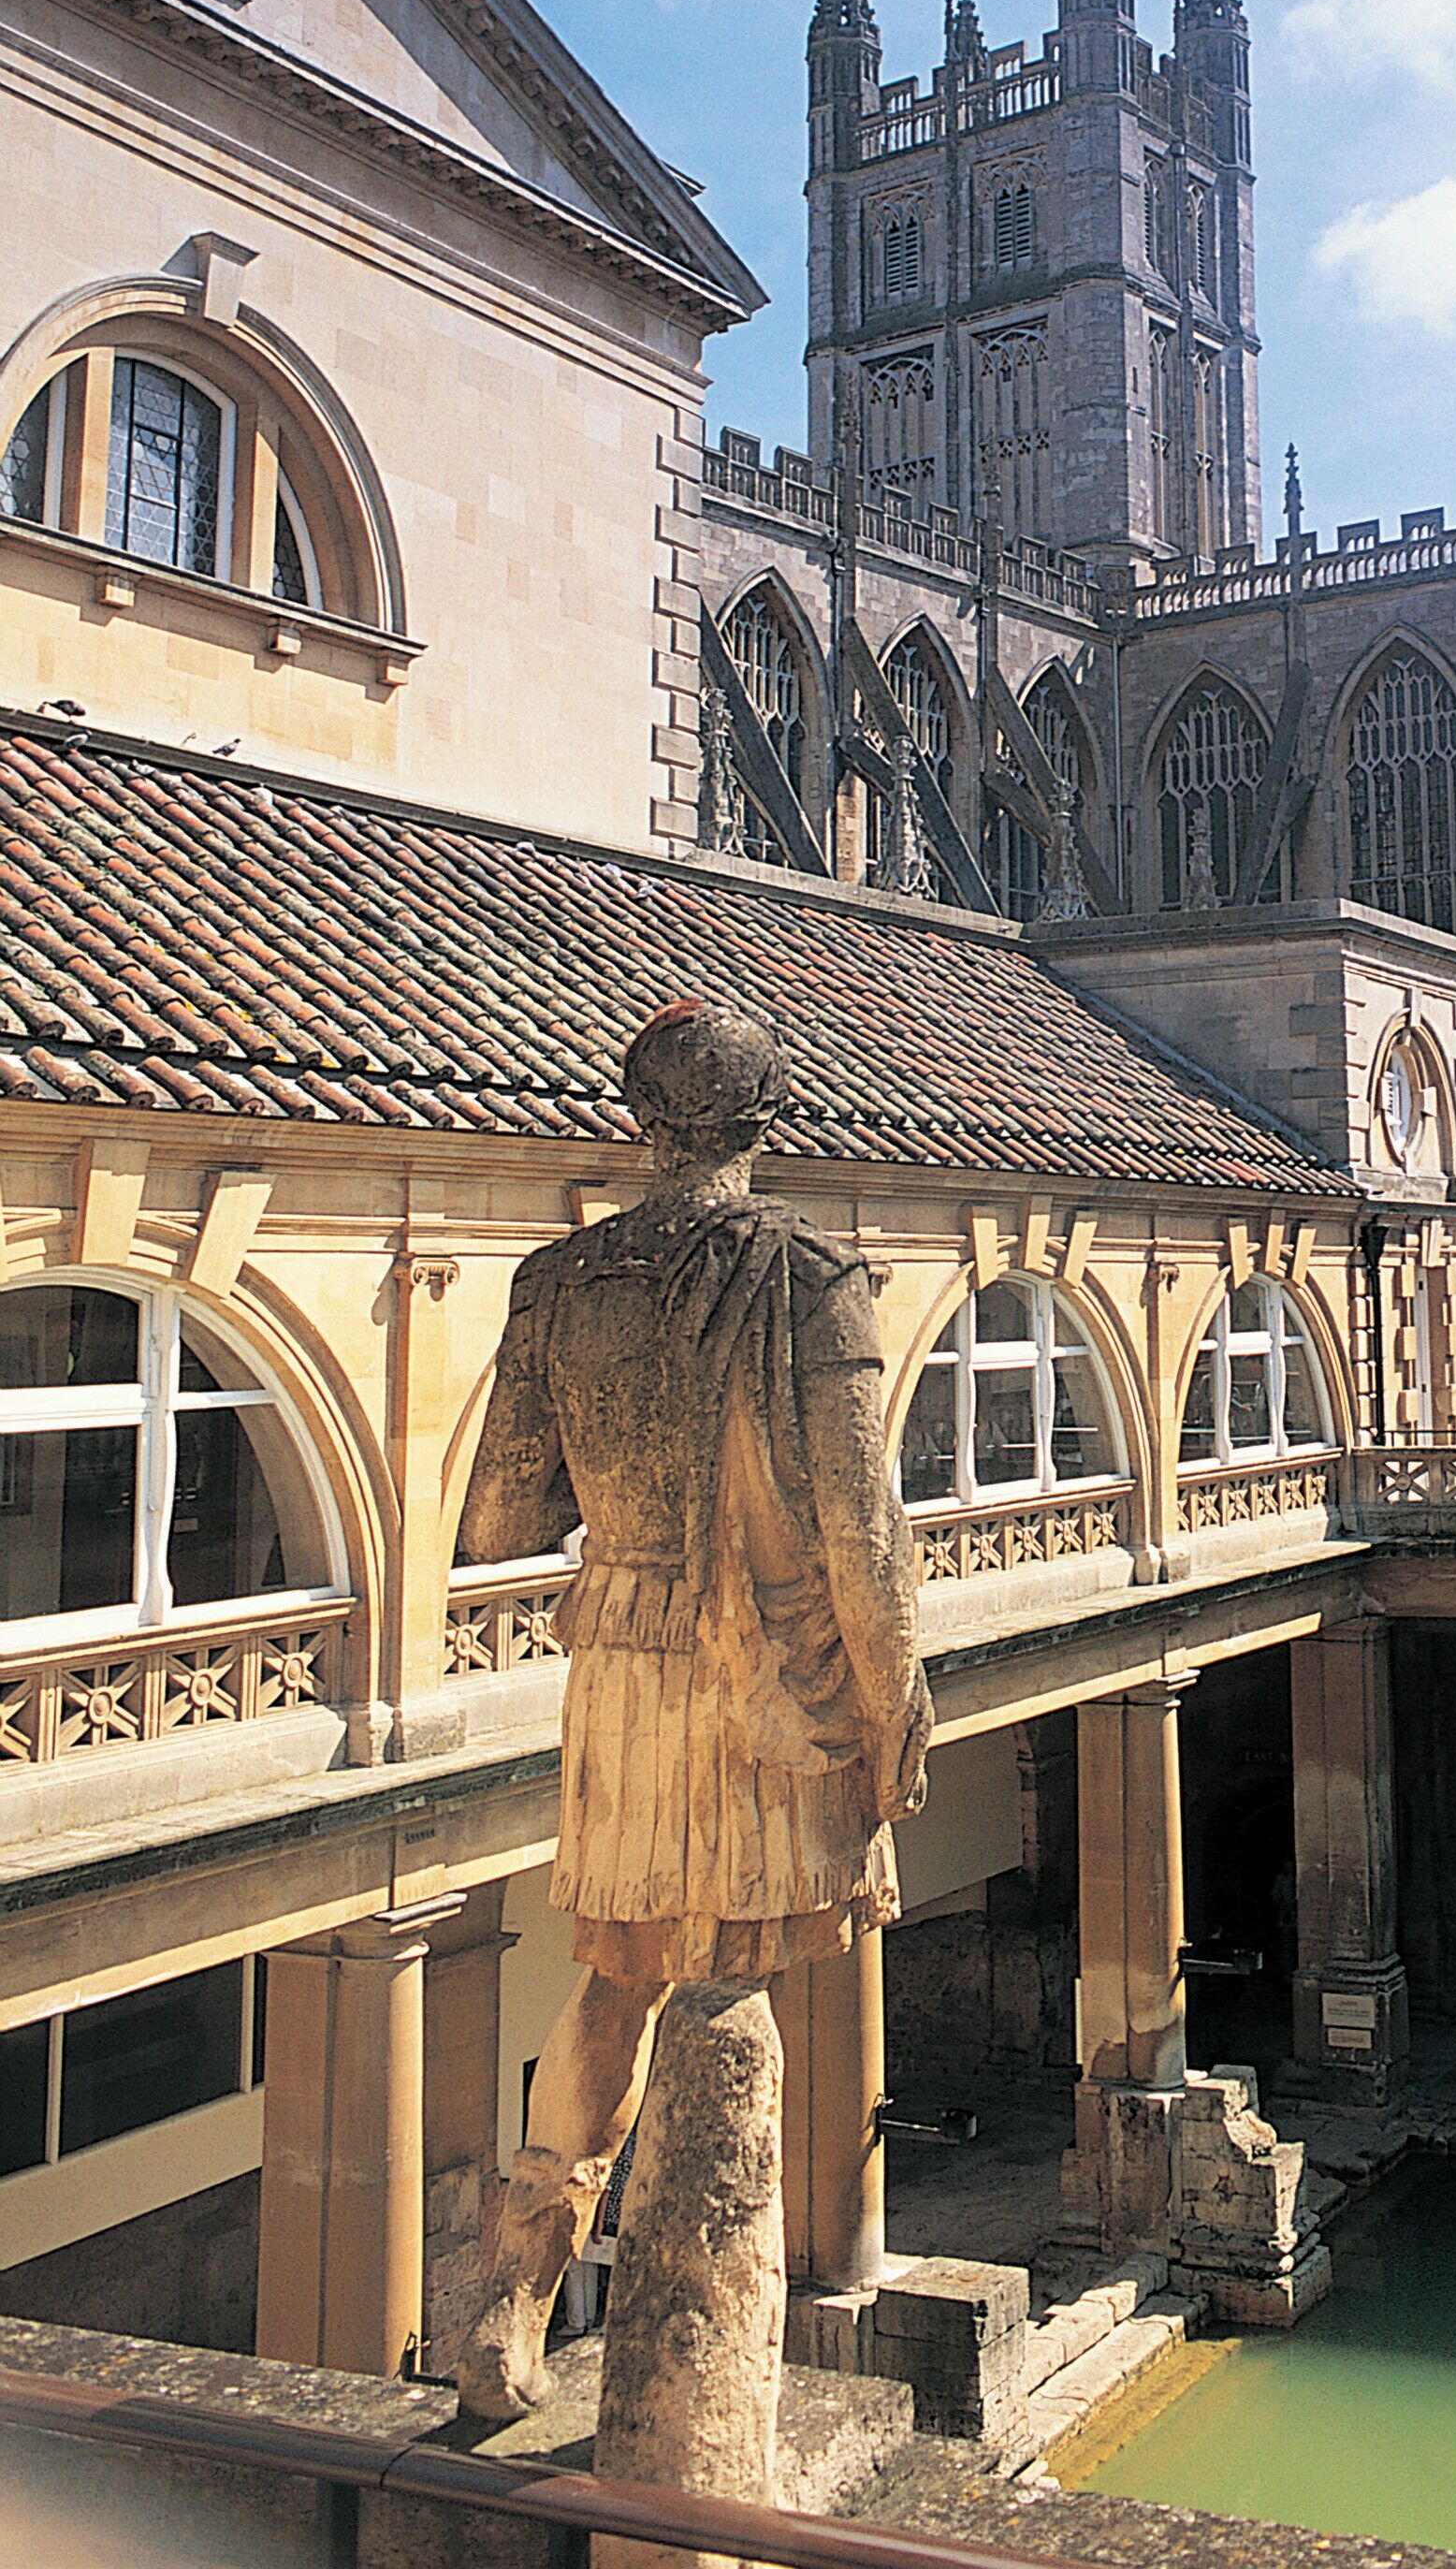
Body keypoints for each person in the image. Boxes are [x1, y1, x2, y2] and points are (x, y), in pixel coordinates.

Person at [451, 1000, 931, 2419]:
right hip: (761, 1677)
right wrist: (896, 1695)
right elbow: (861, 1524)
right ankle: (698, 2356)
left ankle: (511, 2305)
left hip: (621, 1665)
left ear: (637, 1116)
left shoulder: (557, 1283)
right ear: (767, 1122)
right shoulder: (812, 1280)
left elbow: (492, 1518)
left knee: (615, 1977)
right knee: (728, 1983)